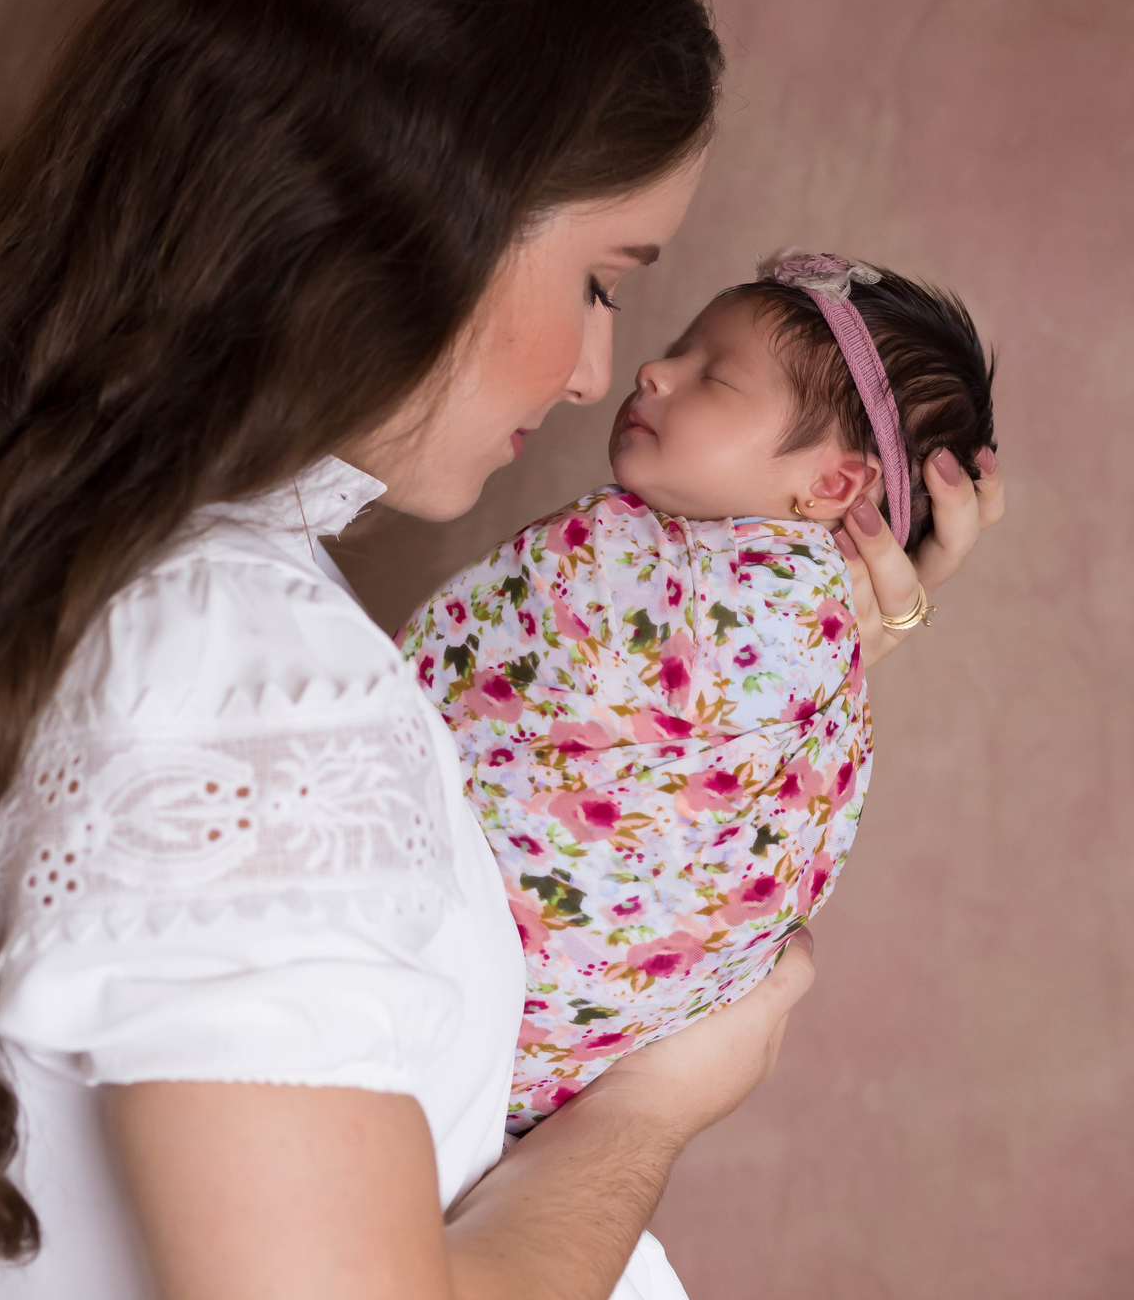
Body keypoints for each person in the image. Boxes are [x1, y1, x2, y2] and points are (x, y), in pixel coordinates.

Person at [0, 0, 1003, 1300]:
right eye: (599, 279)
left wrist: (823, 626)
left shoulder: (118, 573)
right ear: (426, 209)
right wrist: (646, 1113)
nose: (593, 370)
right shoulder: (242, 678)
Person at [403, 252, 996, 1130]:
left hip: (473, 993)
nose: (653, 369)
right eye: (680, 348)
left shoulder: (715, 589)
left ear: (833, 485)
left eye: (713, 375)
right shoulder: (795, 625)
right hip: (519, 1065)